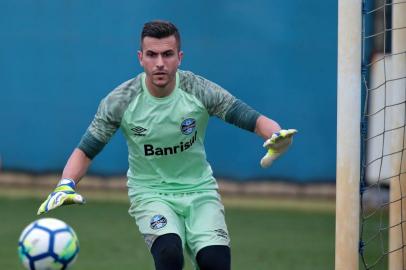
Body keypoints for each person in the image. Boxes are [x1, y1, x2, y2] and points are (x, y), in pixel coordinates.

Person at [37, 20, 297, 270]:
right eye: (152, 54)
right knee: (169, 254)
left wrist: (276, 135)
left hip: (199, 191)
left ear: (180, 57)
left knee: (215, 262)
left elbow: (250, 118)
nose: (160, 63)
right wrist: (65, 183)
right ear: (140, 58)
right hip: (151, 193)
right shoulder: (120, 100)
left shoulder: (198, 89)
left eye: (167, 54)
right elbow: (87, 148)